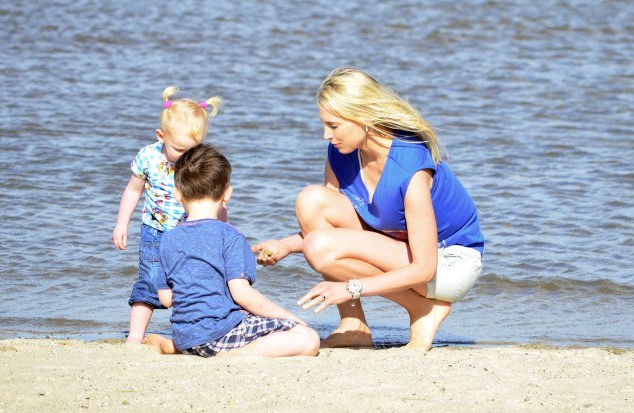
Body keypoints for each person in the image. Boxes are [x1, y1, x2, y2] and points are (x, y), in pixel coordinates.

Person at [252, 67, 484, 351]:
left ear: (363, 118)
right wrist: (286, 245)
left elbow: (424, 268)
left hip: (449, 263)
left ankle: (423, 310)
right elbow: (325, 229)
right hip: (401, 250)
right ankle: (354, 325)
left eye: (334, 126)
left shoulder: (409, 166)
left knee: (318, 247)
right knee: (311, 200)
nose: (326, 135)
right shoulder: (342, 153)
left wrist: (349, 287)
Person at [143, 144, 320, 357]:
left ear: (177, 194)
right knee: (307, 338)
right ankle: (237, 354)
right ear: (227, 194)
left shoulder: (168, 239)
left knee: (249, 324)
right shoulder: (229, 236)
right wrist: (288, 318)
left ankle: (173, 345)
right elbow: (242, 294)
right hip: (220, 334)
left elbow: (166, 298)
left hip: (186, 335)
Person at [113, 86, 227, 345]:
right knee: (150, 279)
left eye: (193, 149)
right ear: (160, 136)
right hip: (155, 232)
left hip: (191, 232)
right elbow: (132, 190)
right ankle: (134, 336)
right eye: (179, 149)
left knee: (192, 280)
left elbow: (214, 198)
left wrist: (220, 227)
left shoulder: (199, 163)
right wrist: (122, 224)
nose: (187, 157)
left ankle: (192, 329)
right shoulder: (148, 158)